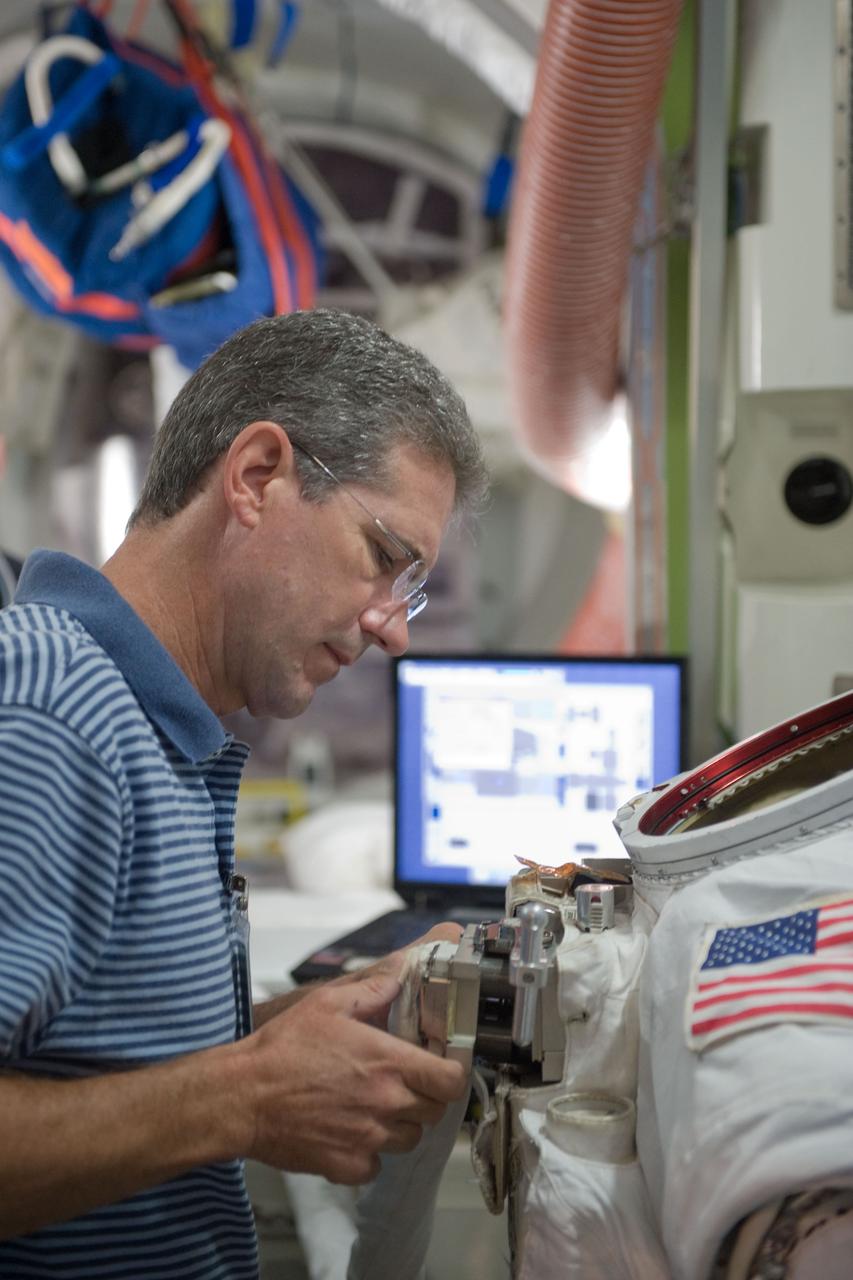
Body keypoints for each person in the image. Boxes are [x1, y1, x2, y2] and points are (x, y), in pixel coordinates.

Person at [0, 308, 489, 1277]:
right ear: (257, 476)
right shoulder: (50, 712)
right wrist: (246, 1096)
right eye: (382, 555)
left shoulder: (151, 727)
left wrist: (323, 1021)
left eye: (413, 587)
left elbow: (94, 1064)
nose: (392, 627)